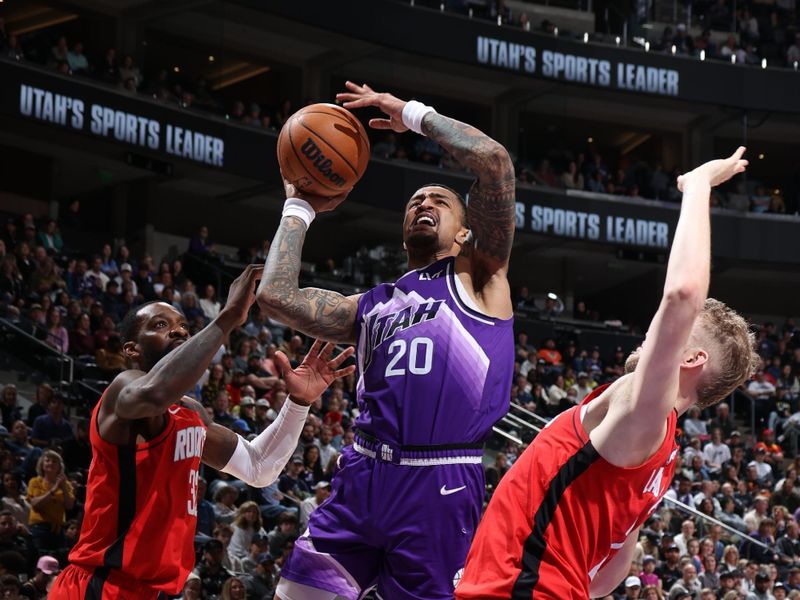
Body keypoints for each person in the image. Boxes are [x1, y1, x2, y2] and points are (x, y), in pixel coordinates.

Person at [457, 149, 757, 599]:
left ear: (690, 359)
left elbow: (683, 293)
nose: (652, 333)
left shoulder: (645, 413)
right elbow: (610, 574)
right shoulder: (659, 452)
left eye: (669, 333)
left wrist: (697, 186)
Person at [258, 81, 516, 600]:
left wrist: (413, 114)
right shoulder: (368, 305)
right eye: (415, 202)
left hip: (439, 486)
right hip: (362, 477)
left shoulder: (481, 277)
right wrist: (299, 207)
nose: (423, 203)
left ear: (467, 234)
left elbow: (493, 161)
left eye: (439, 201)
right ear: (402, 234)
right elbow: (275, 296)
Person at [49, 264, 356, 598]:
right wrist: (225, 318)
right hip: (100, 584)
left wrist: (298, 401)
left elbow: (260, 466)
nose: (179, 332)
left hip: (153, 591)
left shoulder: (190, 412)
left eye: (183, 326)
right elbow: (153, 393)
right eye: (161, 325)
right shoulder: (124, 389)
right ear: (131, 349)